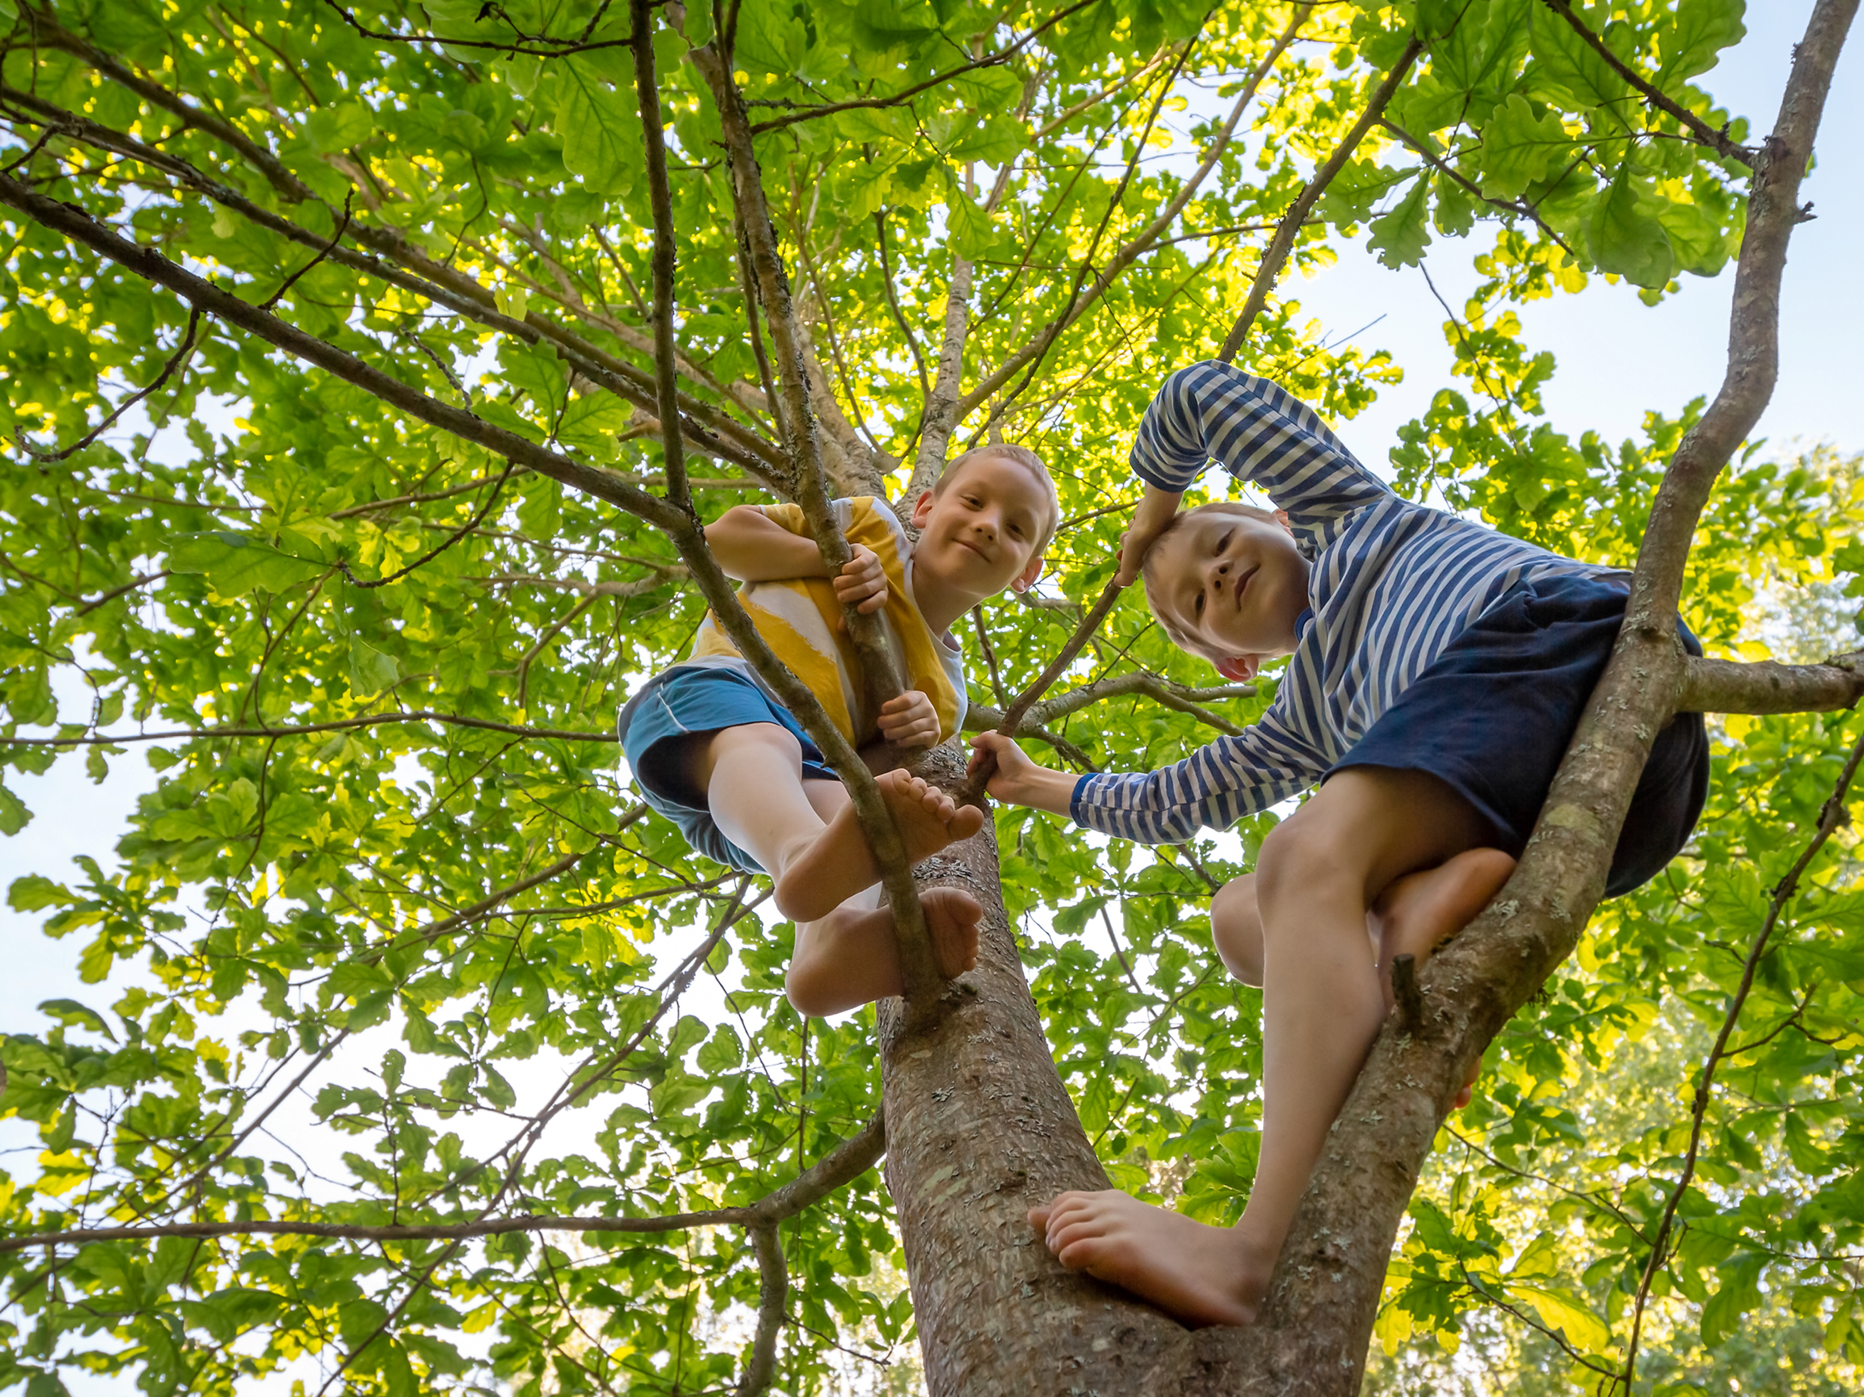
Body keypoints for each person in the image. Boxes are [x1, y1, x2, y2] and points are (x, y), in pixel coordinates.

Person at [968, 361, 1707, 1327]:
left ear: (1274, 520)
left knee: (1303, 859)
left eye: (1222, 542)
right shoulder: (1305, 723)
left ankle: (1255, 1250)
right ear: (1234, 660)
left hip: (1570, 649)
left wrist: (1156, 512)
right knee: (1241, 917)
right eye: (1196, 601)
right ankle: (1416, 912)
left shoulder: (1345, 511)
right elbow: (1168, 799)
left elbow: (1194, 394)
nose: (1216, 572)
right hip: (1563, 815)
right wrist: (1035, 787)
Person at [622, 444, 1059, 1017]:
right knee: (771, 741)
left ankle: (828, 947)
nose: (987, 525)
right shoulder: (870, 526)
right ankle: (802, 858)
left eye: (1016, 528)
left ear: (1028, 573)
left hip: (772, 804)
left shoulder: (946, 697)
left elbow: (867, 776)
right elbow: (725, 538)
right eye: (974, 501)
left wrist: (905, 742)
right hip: (711, 701)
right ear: (925, 508)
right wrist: (827, 557)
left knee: (860, 816)